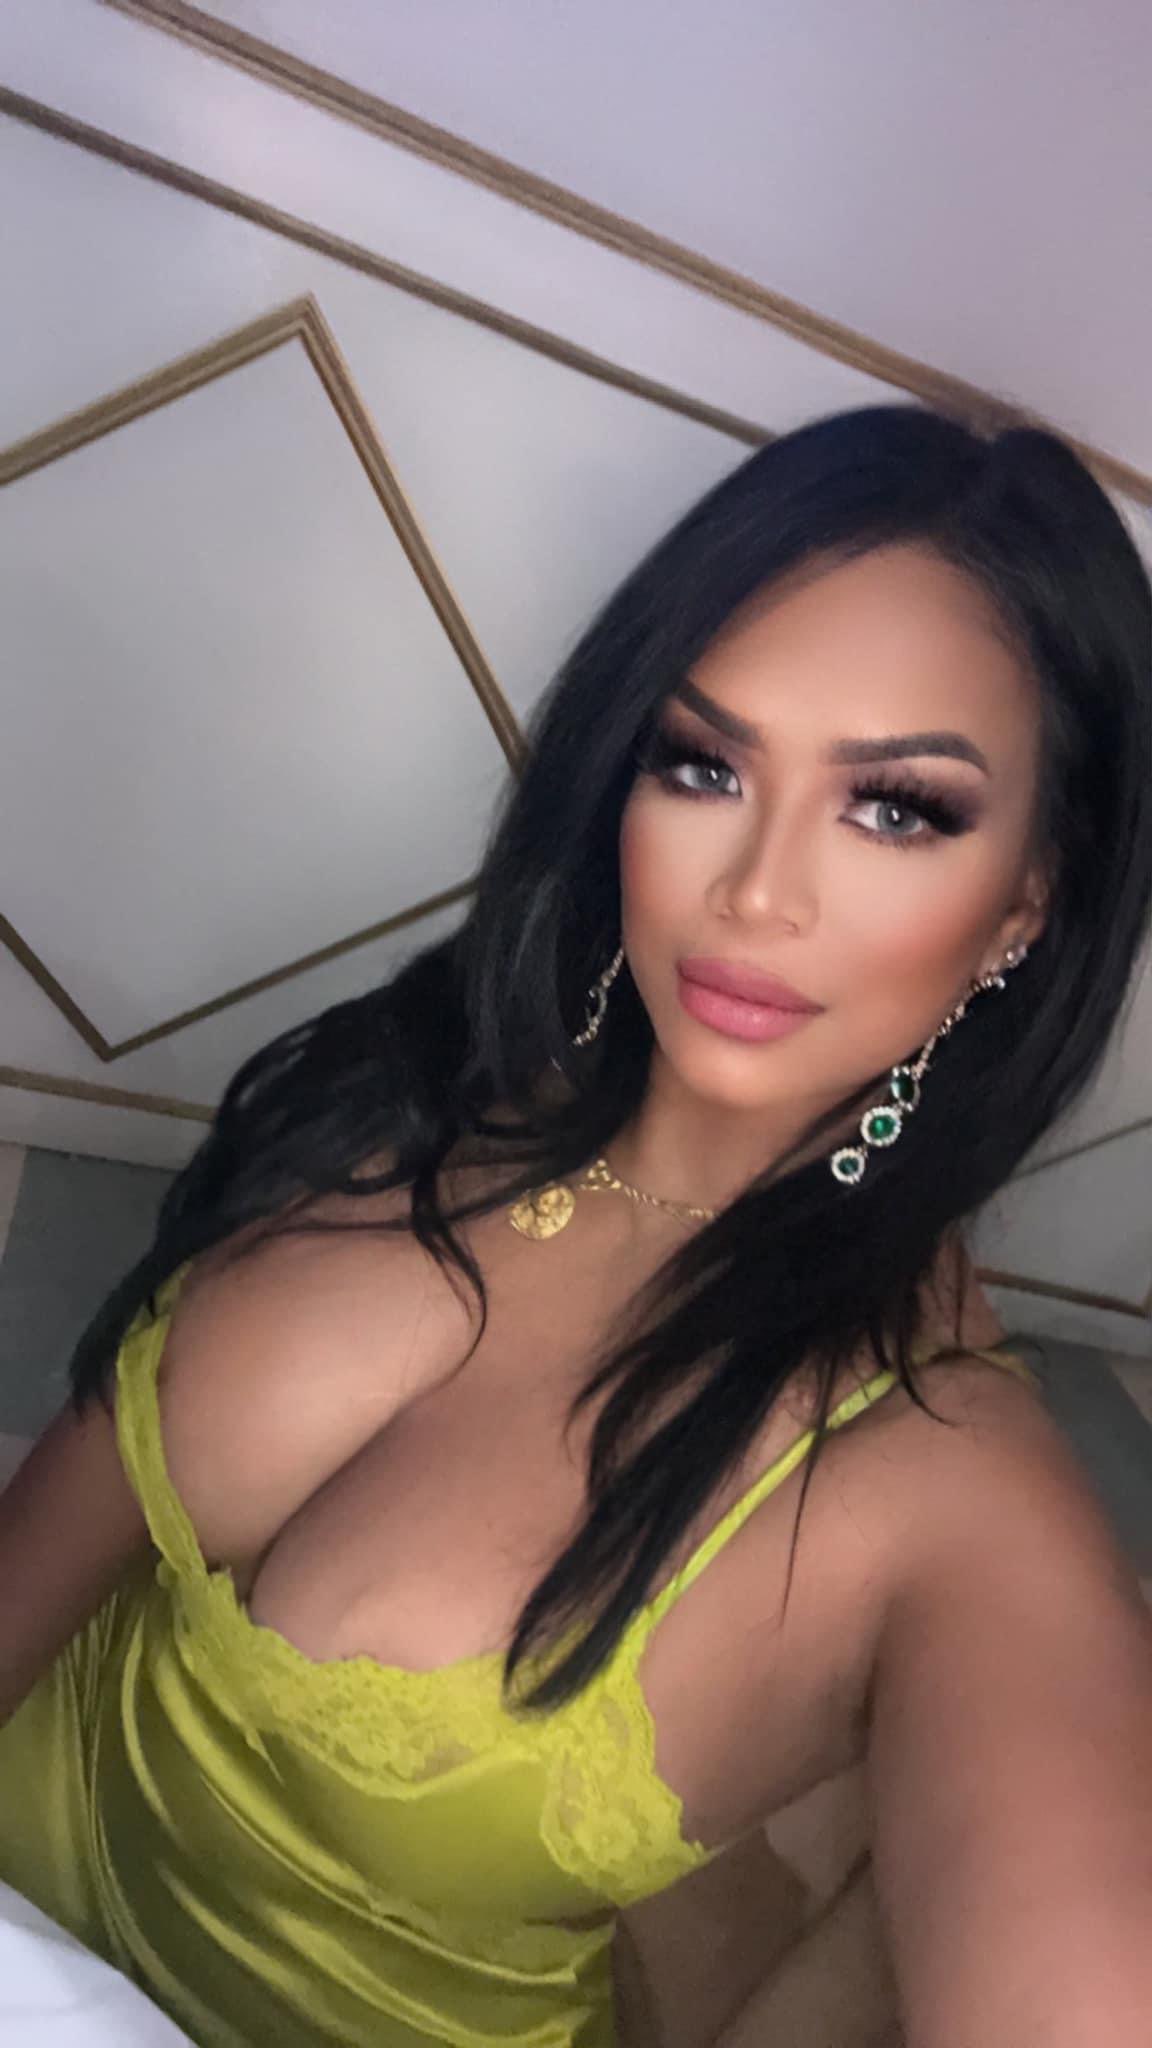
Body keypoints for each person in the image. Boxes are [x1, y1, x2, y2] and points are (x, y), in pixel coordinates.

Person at [1, 404, 1151, 2048]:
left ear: (1026, 904)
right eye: (705, 764)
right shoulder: (423, 1077)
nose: (755, 890)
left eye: (896, 807)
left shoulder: (957, 1497)